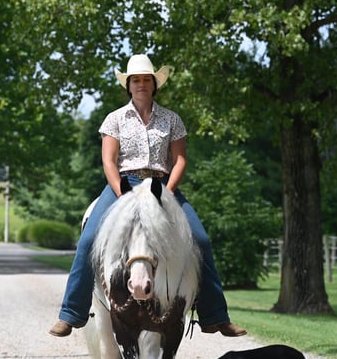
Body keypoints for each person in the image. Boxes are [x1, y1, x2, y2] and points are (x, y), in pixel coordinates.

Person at [49, 54, 246, 339]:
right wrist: (123, 193)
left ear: (154, 85)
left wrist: (167, 192)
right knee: (90, 239)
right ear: (128, 86)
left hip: (162, 184)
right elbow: (109, 161)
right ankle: (71, 314)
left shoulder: (171, 120)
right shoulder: (114, 119)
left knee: (200, 240)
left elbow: (179, 161)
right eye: (136, 80)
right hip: (124, 182)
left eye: (146, 80)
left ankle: (215, 316)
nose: (141, 84)